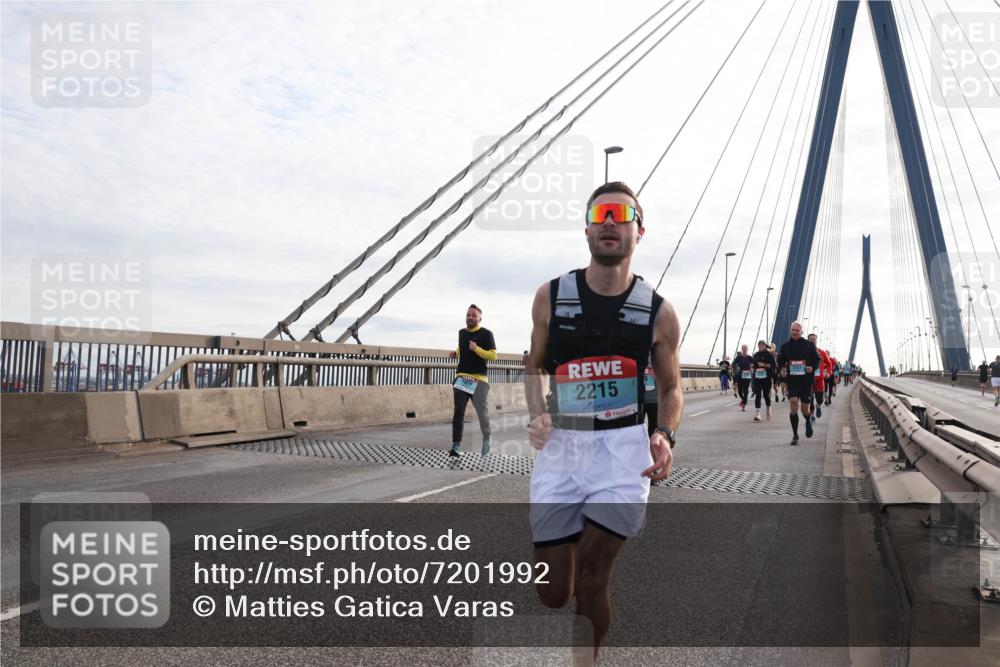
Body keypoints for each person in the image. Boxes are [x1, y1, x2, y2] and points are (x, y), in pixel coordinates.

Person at [524, 181, 682, 660]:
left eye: (620, 213)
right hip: (564, 448)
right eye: (600, 214)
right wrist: (536, 415)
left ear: (639, 229)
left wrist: (664, 434)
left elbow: (672, 388)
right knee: (554, 592)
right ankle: (568, 533)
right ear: (588, 228)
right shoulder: (551, 297)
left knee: (594, 575)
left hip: (623, 455)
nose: (609, 221)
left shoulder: (658, 313)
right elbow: (533, 365)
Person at [448, 304, 495, 456]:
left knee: (482, 413)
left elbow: (493, 356)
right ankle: (456, 446)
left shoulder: (486, 334)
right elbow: (462, 347)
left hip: (479, 379)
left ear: (480, 318)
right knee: (459, 412)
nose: (470, 317)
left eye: (474, 315)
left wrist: (477, 349)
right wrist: (455, 353)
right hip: (462, 378)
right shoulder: (461, 333)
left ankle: (487, 438)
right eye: (468, 315)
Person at [777, 321, 820, 446]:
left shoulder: (809, 345)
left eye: (797, 330)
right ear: (790, 331)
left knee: (804, 409)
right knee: (793, 402)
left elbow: (817, 359)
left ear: (802, 332)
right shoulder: (785, 346)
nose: (795, 332)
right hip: (793, 380)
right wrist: (782, 370)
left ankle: (808, 420)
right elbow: (780, 362)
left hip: (806, 381)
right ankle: (795, 435)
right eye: (793, 330)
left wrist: (812, 367)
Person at [807, 333, 832, 420]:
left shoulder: (822, 352)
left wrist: (828, 373)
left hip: (819, 379)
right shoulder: (804, 351)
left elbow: (829, 364)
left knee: (820, 399)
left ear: (816, 340)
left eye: (814, 339)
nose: (813, 341)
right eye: (811, 339)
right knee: (809, 400)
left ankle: (818, 405)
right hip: (808, 380)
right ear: (808, 340)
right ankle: (812, 415)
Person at [751, 340, 775, 422]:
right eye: (759, 345)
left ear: (765, 346)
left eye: (762, 345)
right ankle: (758, 414)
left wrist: (764, 365)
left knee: (766, 395)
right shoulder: (756, 355)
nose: (761, 346)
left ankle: (768, 408)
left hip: (766, 377)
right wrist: (752, 366)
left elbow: (773, 366)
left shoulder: (769, 355)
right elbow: (753, 365)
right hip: (757, 377)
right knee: (758, 394)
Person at [733, 345, 753, 411]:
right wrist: (734, 366)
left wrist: (751, 367)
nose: (744, 350)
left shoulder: (750, 357)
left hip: (747, 374)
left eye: (745, 348)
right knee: (739, 391)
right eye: (743, 348)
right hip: (740, 374)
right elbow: (733, 364)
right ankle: (744, 399)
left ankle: (744, 403)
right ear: (742, 349)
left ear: (747, 349)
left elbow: (754, 364)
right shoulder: (738, 357)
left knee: (745, 389)